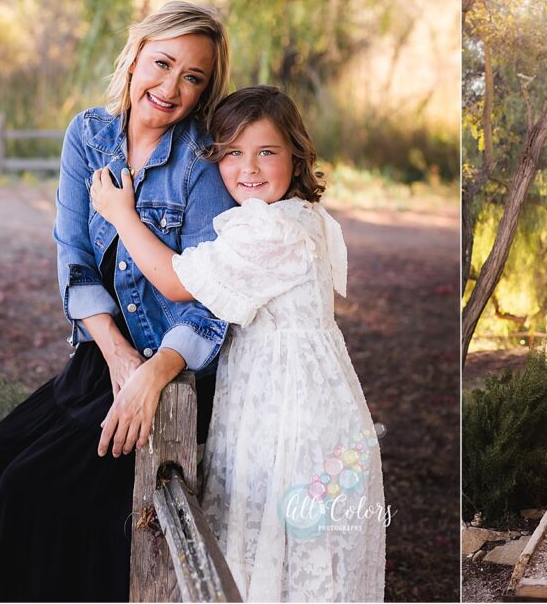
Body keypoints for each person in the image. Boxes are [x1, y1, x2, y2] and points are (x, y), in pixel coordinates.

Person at [0, 1, 238, 601]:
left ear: (208, 88)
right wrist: (112, 353)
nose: (171, 87)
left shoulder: (201, 162)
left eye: (193, 77)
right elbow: (73, 257)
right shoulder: (88, 135)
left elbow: (213, 298)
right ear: (134, 59)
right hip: (101, 359)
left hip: (175, 374)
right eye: (161, 64)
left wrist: (150, 373)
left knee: (31, 488)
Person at [91, 85, 386, 602]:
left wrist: (122, 216)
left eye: (266, 151)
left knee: (290, 546)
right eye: (231, 153)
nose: (248, 167)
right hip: (285, 400)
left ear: (296, 157)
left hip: (293, 416)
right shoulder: (296, 216)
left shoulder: (272, 228)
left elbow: (176, 281)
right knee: (275, 548)